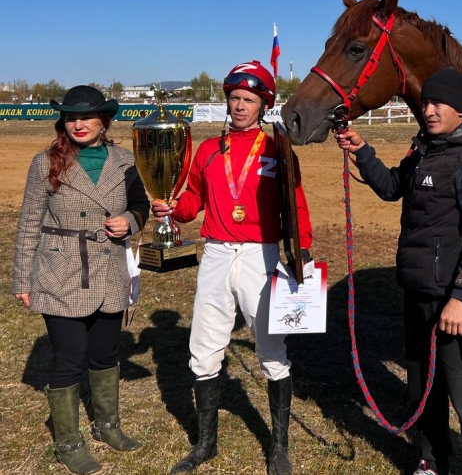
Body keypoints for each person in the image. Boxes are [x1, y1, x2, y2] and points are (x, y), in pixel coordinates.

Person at [334, 68, 462, 475]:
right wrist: (363, 151)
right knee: (422, 390)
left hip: (451, 301)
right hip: (415, 294)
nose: (428, 110)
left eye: (438, 103)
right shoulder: (424, 151)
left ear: (461, 109)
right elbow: (394, 186)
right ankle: (432, 460)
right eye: (425, 103)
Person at [151, 60, 313, 475]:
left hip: (263, 256)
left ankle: (278, 446)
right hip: (218, 254)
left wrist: (303, 255)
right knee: (204, 350)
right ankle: (206, 443)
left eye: (249, 99)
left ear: (263, 104)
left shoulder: (278, 148)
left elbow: (297, 205)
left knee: (271, 350)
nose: (240, 105)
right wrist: (171, 207)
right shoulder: (207, 150)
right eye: (234, 98)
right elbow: (192, 202)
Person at [13, 85, 149, 475]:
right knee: (69, 359)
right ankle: (69, 442)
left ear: (103, 121)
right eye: (71, 117)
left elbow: (141, 205)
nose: (78, 124)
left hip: (109, 269)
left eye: (86, 117)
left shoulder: (125, 160)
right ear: (63, 122)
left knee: (105, 354)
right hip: (60, 271)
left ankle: (107, 425)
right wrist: (23, 279)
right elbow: (28, 224)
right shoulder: (45, 163)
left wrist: (131, 221)